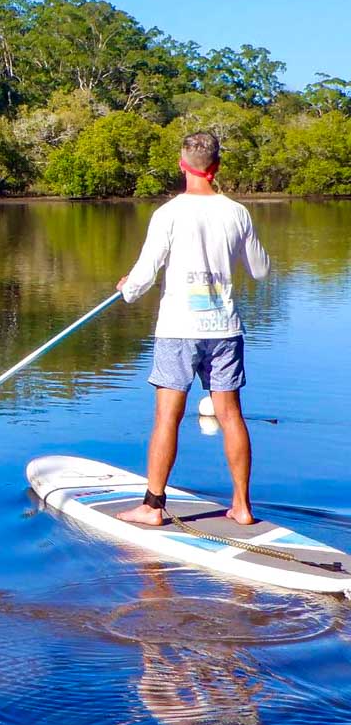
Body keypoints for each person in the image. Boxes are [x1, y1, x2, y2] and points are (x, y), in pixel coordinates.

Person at [115, 131, 270, 527]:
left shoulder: (167, 214)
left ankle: (151, 506)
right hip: (224, 329)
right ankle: (242, 506)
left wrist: (127, 289)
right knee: (230, 415)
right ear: (215, 167)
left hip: (179, 329)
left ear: (183, 166)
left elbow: (144, 276)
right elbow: (261, 270)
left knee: (168, 416)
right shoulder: (238, 213)